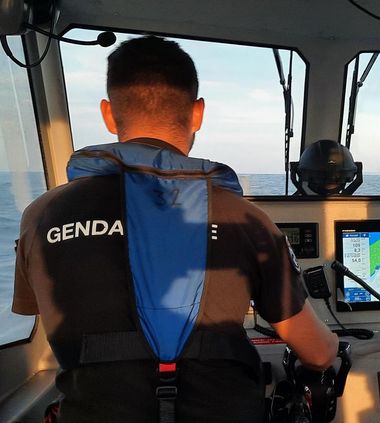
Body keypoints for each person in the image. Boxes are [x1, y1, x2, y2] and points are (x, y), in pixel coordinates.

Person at [12, 36, 338, 423]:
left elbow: (43, 314)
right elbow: (318, 354)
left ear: (108, 114)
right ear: (197, 113)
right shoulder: (245, 219)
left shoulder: (40, 215)